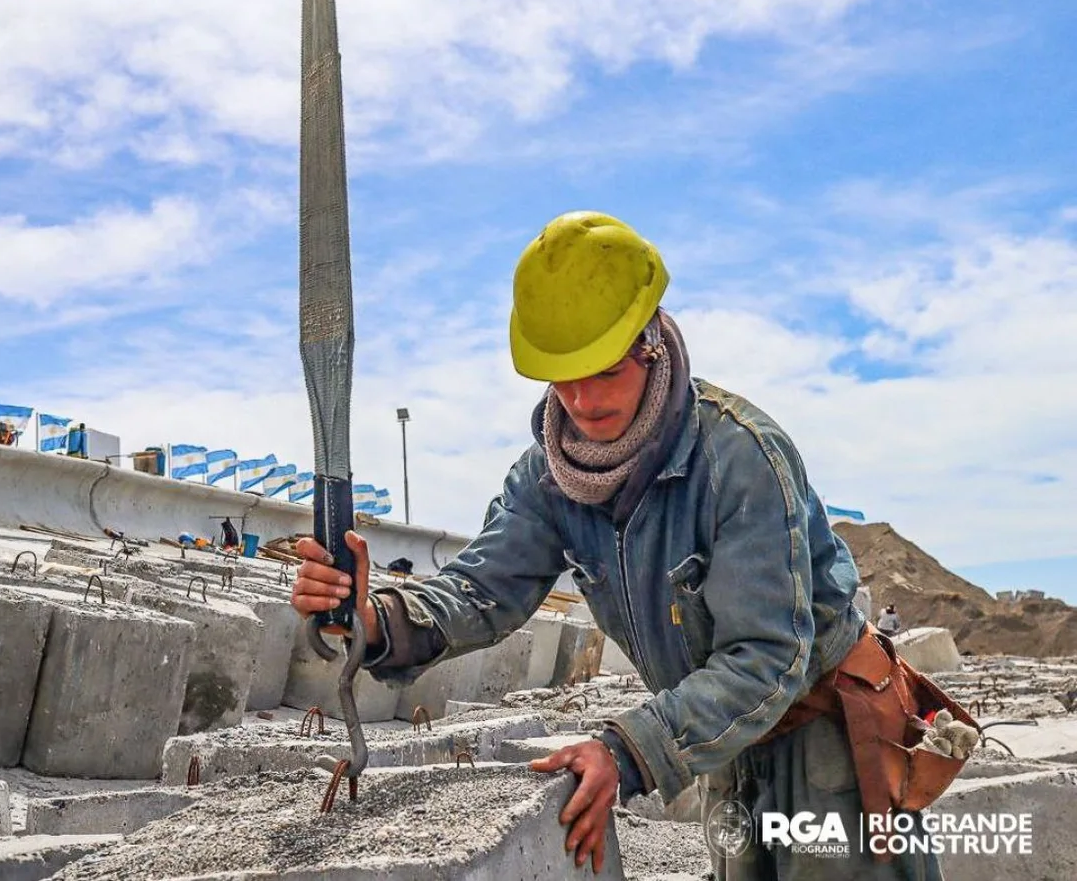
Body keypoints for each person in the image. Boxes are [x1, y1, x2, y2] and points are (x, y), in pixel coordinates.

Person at [290, 212, 946, 879]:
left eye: (601, 370)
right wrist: (376, 618)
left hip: (827, 737)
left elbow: (768, 656)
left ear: (649, 341)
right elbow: (480, 591)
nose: (581, 399)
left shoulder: (738, 459)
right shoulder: (550, 479)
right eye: (562, 377)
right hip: (725, 740)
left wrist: (629, 749)